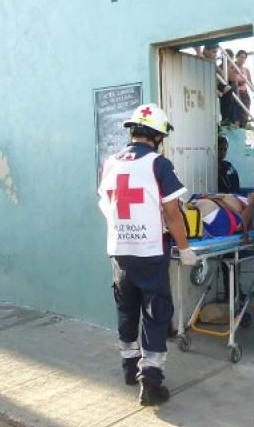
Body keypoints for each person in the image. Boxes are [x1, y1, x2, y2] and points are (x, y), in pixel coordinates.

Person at [98, 103, 198, 406]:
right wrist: (184, 248)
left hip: (119, 252)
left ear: (133, 131)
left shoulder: (110, 162)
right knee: (156, 314)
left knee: (126, 309)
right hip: (151, 252)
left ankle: (130, 368)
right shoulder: (159, 164)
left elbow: (105, 205)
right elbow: (172, 213)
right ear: (158, 136)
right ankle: (151, 383)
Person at [235, 49, 252, 128]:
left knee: (245, 113)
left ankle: (243, 129)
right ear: (236, 57)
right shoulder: (232, 67)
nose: (242, 59)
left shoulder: (246, 70)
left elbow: (250, 83)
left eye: (244, 58)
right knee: (237, 114)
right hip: (236, 92)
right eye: (241, 57)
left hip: (245, 93)